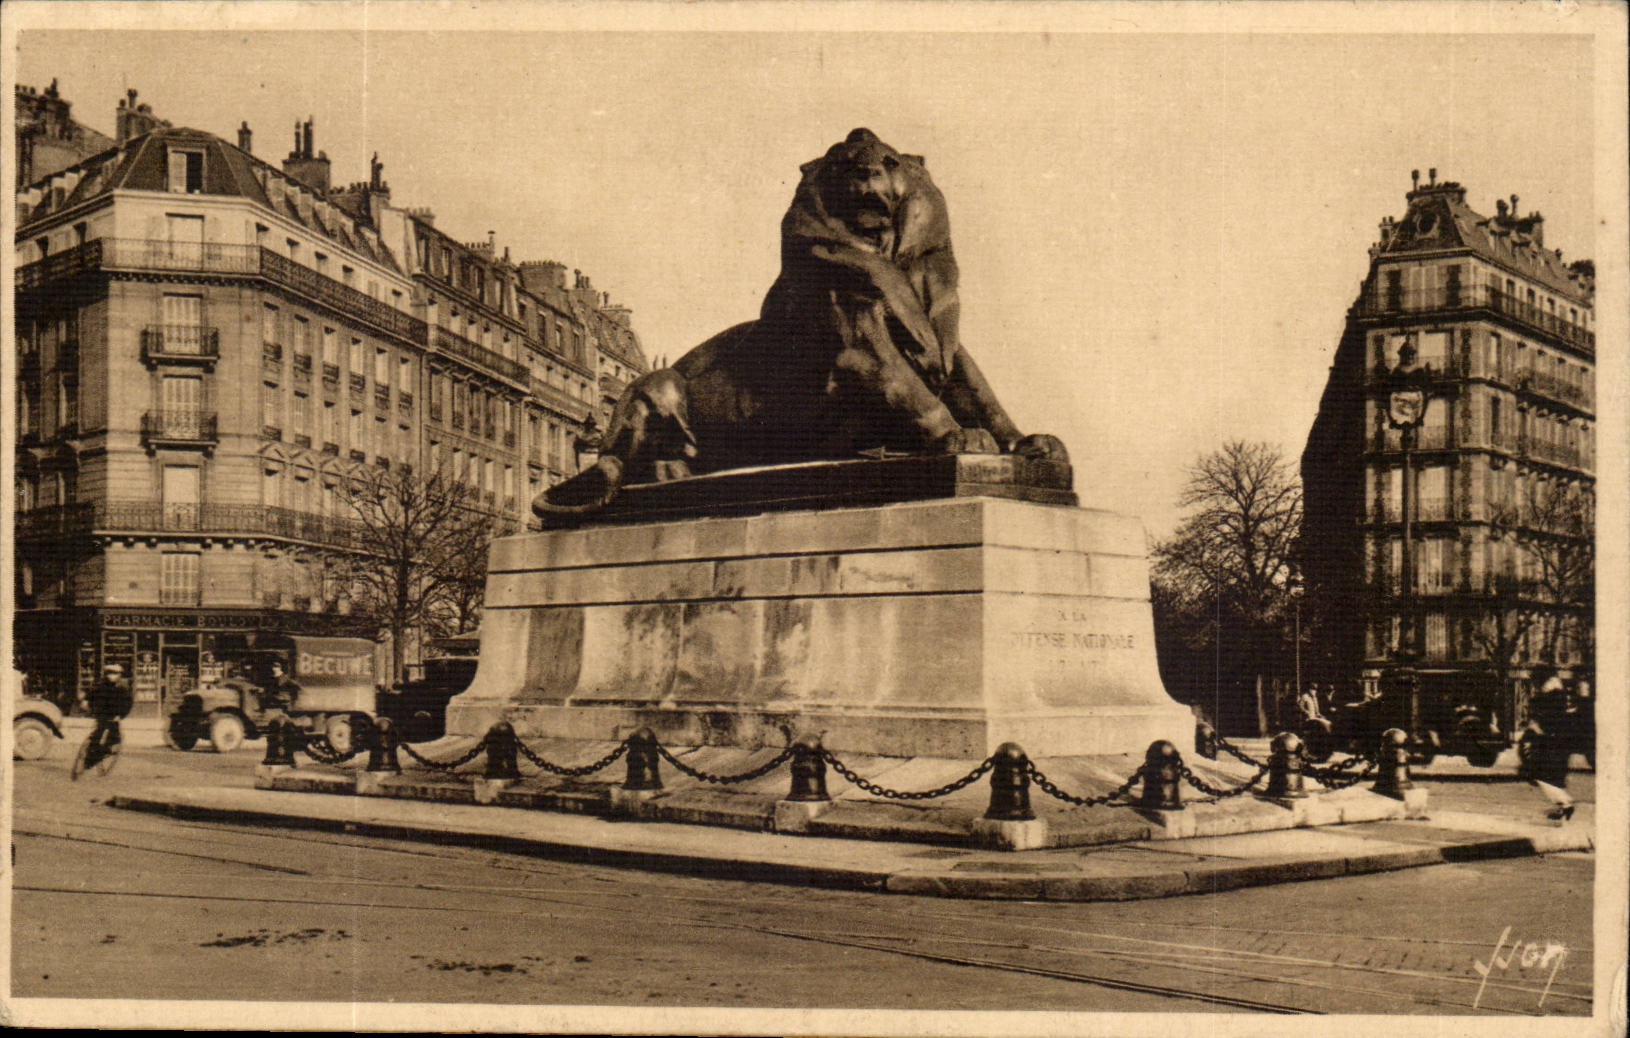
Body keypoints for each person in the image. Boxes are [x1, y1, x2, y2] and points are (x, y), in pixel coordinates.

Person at [1522, 672, 1575, 821]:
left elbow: (1543, 719)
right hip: (1559, 740)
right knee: (1551, 775)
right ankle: (1563, 806)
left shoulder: (1546, 698)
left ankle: (1564, 804)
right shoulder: (1561, 695)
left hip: (1548, 740)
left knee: (1539, 774)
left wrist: (1536, 728)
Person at [79, 662, 134, 760]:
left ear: (119, 675)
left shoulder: (122, 688)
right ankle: (92, 753)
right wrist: (86, 702)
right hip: (101, 712)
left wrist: (120, 715)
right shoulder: (101, 685)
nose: (112, 676)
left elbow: (127, 703)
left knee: (114, 735)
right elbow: (92, 694)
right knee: (98, 732)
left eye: (115, 674)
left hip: (114, 714)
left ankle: (105, 749)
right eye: (109, 673)